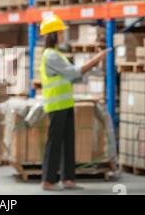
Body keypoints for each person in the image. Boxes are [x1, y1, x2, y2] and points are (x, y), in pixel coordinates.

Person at [39, 15, 110, 191]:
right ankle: (48, 181)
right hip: (56, 106)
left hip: (65, 104)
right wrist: (95, 60)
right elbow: (73, 73)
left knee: (68, 142)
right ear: (53, 35)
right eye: (61, 33)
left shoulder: (57, 54)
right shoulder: (51, 56)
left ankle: (68, 179)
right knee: (54, 143)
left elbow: (72, 76)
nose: (63, 35)